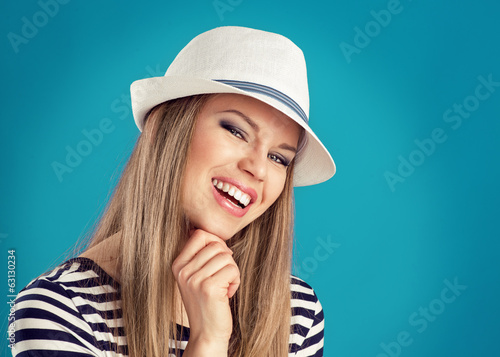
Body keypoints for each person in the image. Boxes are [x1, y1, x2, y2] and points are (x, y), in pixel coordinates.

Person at [9, 26, 336, 357]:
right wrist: (207, 340)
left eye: (278, 157)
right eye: (236, 131)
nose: (259, 169)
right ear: (162, 129)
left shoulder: (295, 314)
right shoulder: (60, 311)